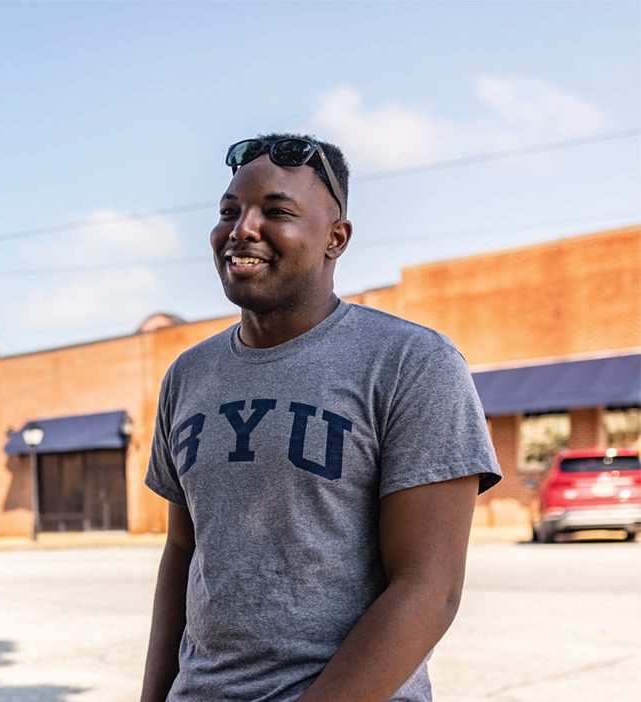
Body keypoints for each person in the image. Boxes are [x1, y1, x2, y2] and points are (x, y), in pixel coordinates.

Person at [140, 134, 500, 702]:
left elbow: (429, 590)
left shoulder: (412, 364)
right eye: (229, 212)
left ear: (337, 238)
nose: (241, 229)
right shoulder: (188, 375)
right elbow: (183, 554)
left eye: (276, 212)